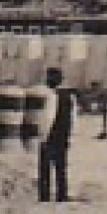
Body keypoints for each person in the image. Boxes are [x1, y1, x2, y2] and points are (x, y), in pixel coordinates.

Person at [39, 67, 75, 203]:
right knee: (61, 168)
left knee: (45, 169)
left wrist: (43, 136)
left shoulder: (52, 96)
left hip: (51, 137)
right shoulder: (71, 97)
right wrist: (70, 136)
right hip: (64, 136)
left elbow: (49, 118)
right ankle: (62, 195)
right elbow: (73, 119)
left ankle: (45, 196)